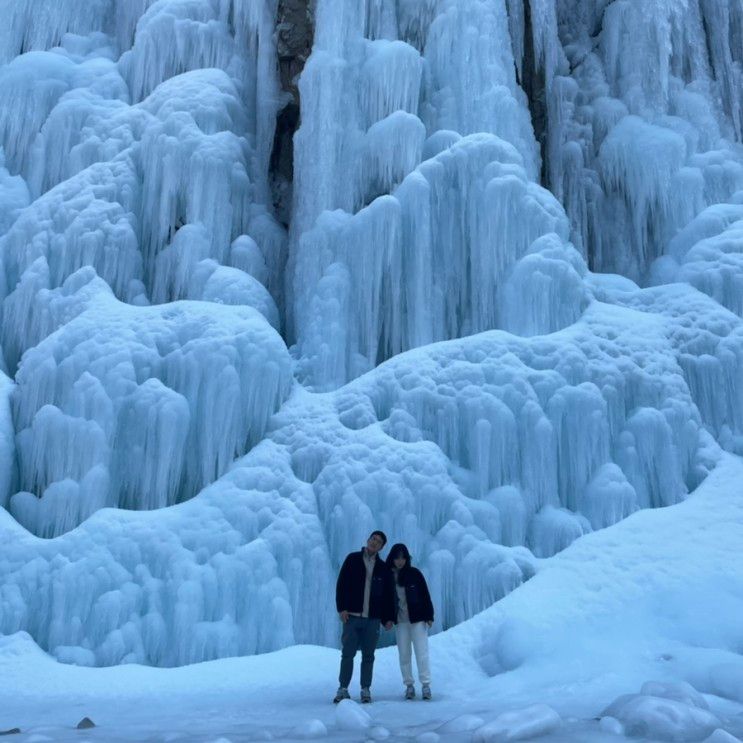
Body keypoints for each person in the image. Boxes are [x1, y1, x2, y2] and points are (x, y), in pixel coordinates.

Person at [333, 530, 396, 704]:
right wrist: (342, 608)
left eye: (379, 541)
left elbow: (388, 595)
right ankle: (343, 688)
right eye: (373, 539)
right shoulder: (352, 559)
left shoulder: (383, 568)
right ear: (368, 540)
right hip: (352, 616)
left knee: (368, 656)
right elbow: (342, 584)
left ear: (382, 547)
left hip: (373, 619)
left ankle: (365, 689)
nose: (374, 542)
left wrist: (388, 618)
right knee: (348, 654)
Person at [386, 543, 434, 700]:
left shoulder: (415, 574)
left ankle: (426, 685)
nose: (400, 561)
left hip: (418, 619)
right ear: (392, 559)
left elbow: (425, 595)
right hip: (401, 622)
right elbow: (384, 600)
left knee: (422, 652)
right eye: (397, 558)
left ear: (407, 559)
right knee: (404, 654)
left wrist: (429, 615)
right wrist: (387, 618)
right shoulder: (389, 576)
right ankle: (409, 686)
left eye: (403, 558)